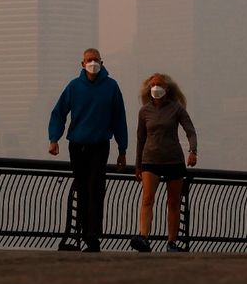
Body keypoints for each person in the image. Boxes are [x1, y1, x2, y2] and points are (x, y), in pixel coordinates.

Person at [48, 47, 128, 252]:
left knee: (96, 188)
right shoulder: (74, 87)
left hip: (100, 145)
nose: (93, 63)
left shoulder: (111, 87)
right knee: (83, 189)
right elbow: (59, 113)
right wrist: (54, 138)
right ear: (82, 64)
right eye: (89, 60)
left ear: (102, 62)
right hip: (77, 145)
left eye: (96, 60)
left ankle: (93, 234)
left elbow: (119, 118)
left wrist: (122, 149)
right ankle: (85, 232)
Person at [129, 73, 197, 253]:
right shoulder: (144, 111)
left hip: (173, 159)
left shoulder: (177, 109)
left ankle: (171, 243)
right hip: (150, 160)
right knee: (147, 199)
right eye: (152, 85)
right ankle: (143, 237)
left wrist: (193, 151)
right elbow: (140, 139)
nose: (155, 88)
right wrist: (138, 165)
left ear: (167, 89)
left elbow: (190, 131)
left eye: (159, 85)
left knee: (173, 202)